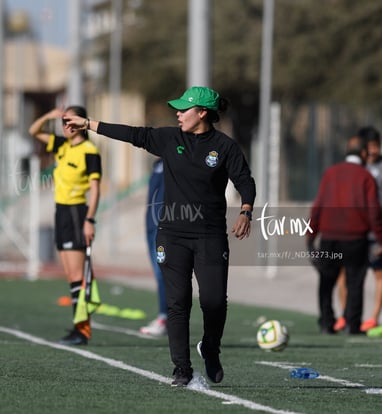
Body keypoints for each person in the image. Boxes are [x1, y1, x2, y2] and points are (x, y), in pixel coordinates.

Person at [64, 86, 256, 386]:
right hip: (172, 235)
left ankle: (211, 347)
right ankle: (181, 368)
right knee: (177, 302)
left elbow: (244, 179)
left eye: (184, 109)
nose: (178, 113)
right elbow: (133, 134)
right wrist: (88, 124)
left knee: (214, 301)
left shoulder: (224, 146)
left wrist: (245, 210)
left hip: (210, 235)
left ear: (202, 113)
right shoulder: (170, 139)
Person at [29, 106, 102, 345]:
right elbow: (34, 130)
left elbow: (95, 188)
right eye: (63, 121)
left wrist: (89, 220)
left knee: (78, 275)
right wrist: (48, 116)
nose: (66, 126)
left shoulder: (89, 150)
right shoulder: (61, 144)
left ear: (80, 123)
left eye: (70, 121)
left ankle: (83, 330)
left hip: (76, 213)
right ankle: (78, 327)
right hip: (60, 212)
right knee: (71, 276)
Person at [307, 135, 382, 334]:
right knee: (355, 281)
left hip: (329, 237)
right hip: (355, 238)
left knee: (326, 280)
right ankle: (352, 323)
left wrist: (310, 236)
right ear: (364, 153)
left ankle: (326, 321)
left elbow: (318, 206)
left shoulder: (331, 173)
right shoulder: (366, 177)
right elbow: (374, 213)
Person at [334, 126, 382, 332]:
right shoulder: (352, 169)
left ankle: (372, 318)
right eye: (368, 147)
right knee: (343, 273)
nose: (372, 151)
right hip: (352, 232)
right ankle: (346, 316)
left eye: (375, 146)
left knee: (379, 274)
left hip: (375, 233)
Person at [139, 158, 168, 336]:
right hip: (151, 224)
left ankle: (165, 318)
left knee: (162, 273)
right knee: (159, 275)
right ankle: (165, 316)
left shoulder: (178, 158)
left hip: (163, 225)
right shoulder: (158, 163)